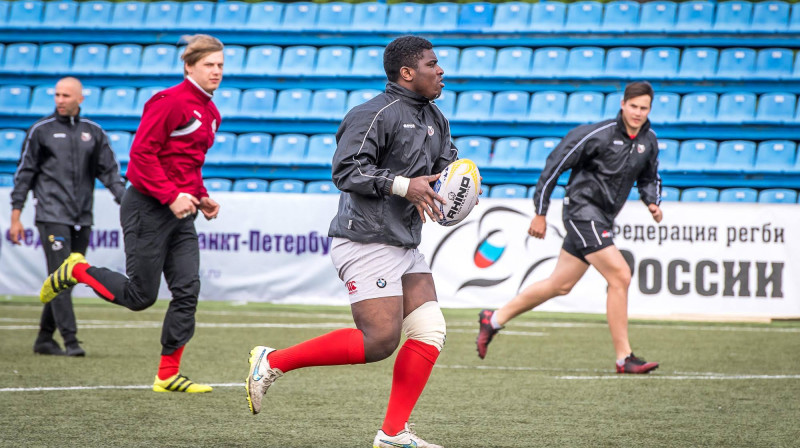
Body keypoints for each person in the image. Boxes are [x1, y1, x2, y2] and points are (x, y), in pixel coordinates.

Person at [245, 36, 456, 448]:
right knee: (379, 341)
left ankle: (393, 433)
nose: (441, 70)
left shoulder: (436, 117)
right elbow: (346, 171)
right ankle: (272, 362)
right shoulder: (372, 113)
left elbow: (447, 165)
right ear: (407, 72)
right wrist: (403, 186)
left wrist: (461, 186)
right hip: (366, 239)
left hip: (403, 240)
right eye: (433, 64)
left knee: (430, 329)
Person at [38, 34, 224, 392]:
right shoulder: (169, 101)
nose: (216, 72)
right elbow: (140, 157)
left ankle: (167, 374)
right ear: (189, 67)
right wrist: (171, 196)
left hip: (181, 212)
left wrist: (201, 196)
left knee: (187, 291)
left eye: (220, 66)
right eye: (209, 65)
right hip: (147, 207)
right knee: (141, 297)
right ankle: (76, 268)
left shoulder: (211, 110)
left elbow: (188, 164)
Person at [476, 81, 663, 374]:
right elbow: (554, 166)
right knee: (620, 275)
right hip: (581, 212)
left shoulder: (648, 140)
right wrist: (540, 212)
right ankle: (623, 358)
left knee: (560, 285)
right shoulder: (595, 134)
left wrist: (651, 201)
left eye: (644, 108)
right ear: (623, 104)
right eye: (634, 106)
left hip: (603, 217)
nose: (638, 113)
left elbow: (650, 176)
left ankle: (494, 319)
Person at [10, 77, 126, 357]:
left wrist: (128, 203)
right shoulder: (41, 130)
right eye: (57, 95)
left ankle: (43, 338)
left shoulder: (93, 132)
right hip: (51, 215)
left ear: (80, 99)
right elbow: (24, 174)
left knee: (67, 277)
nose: (60, 100)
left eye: (66, 95)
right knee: (62, 272)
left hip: (82, 217)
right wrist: (16, 215)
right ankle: (71, 341)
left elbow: (109, 173)